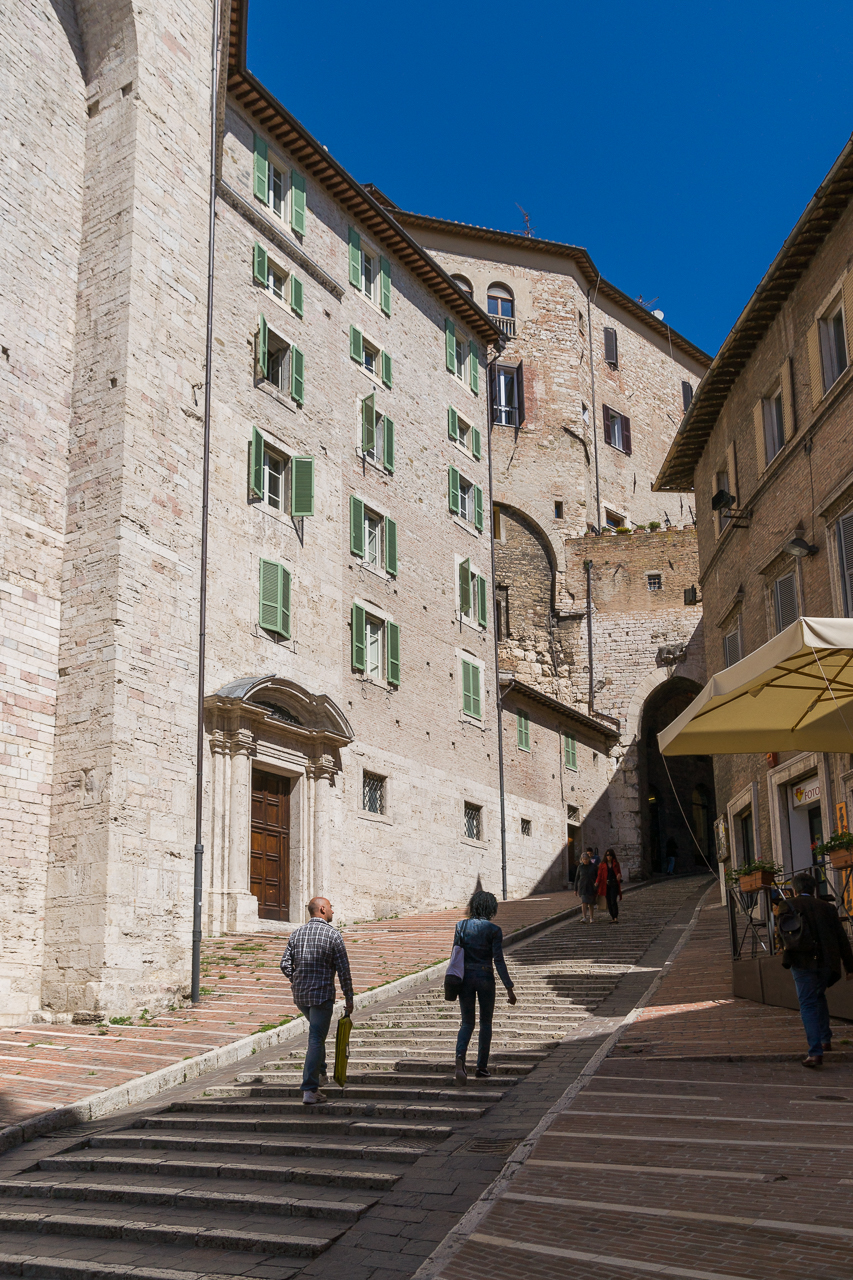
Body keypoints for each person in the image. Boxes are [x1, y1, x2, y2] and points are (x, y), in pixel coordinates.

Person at [280, 896, 354, 1104]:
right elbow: (344, 970)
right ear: (322, 909)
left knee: (316, 1032)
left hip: (301, 996)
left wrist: (296, 979)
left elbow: (284, 964)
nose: (332, 911)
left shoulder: (297, 933)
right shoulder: (333, 935)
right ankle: (310, 1089)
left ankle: (321, 1073)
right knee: (316, 1038)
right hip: (321, 995)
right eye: (330, 907)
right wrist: (349, 997)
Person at [781, 872, 853, 1069]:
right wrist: (849, 966)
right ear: (813, 889)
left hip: (802, 961)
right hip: (827, 962)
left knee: (808, 1003)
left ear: (794, 889)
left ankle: (815, 1052)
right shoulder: (827, 907)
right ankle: (825, 1039)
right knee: (818, 996)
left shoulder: (788, 905)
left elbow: (783, 933)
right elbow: (842, 938)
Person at [453, 890, 517, 1085]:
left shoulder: (461, 926)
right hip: (485, 977)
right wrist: (509, 987)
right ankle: (481, 1067)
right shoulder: (494, 930)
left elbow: (455, 954)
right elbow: (498, 960)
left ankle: (460, 1056)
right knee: (486, 1023)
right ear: (491, 908)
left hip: (465, 978)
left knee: (467, 1022)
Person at [596, 849, 622, 923]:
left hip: (614, 884)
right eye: (607, 855)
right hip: (606, 885)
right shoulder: (602, 864)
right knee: (609, 901)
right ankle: (612, 917)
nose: (609, 857)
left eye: (610, 855)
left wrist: (619, 876)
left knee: (613, 900)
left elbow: (619, 873)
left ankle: (615, 917)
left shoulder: (616, 864)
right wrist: (597, 882)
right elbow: (599, 875)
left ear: (612, 856)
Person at [575, 851, 598, 923]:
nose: (585, 860)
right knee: (584, 902)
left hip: (591, 886)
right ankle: (584, 917)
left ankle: (591, 917)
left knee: (591, 903)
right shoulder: (580, 867)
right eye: (584, 859)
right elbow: (577, 878)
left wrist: (596, 883)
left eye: (586, 859)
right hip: (583, 886)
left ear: (589, 859)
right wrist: (575, 889)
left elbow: (597, 876)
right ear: (581, 860)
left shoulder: (593, 866)